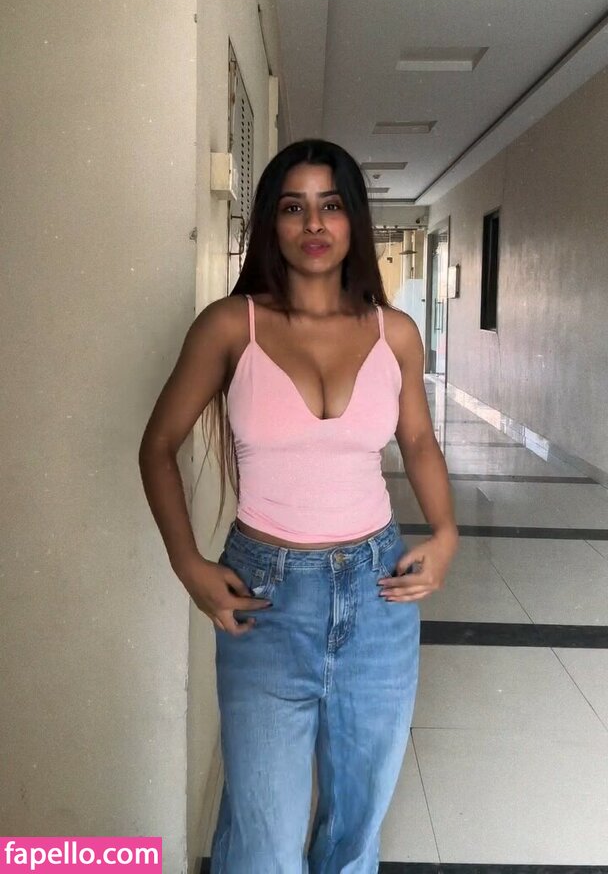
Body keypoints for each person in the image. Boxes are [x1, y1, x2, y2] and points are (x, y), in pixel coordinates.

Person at [138, 139, 458, 873]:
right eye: (293, 207)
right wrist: (188, 564)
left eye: (331, 205)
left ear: (353, 220)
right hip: (266, 596)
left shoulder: (394, 333)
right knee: (266, 842)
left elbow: (417, 440)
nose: (314, 223)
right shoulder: (232, 325)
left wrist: (446, 533)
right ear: (271, 223)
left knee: (355, 830)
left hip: (378, 594)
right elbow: (158, 446)